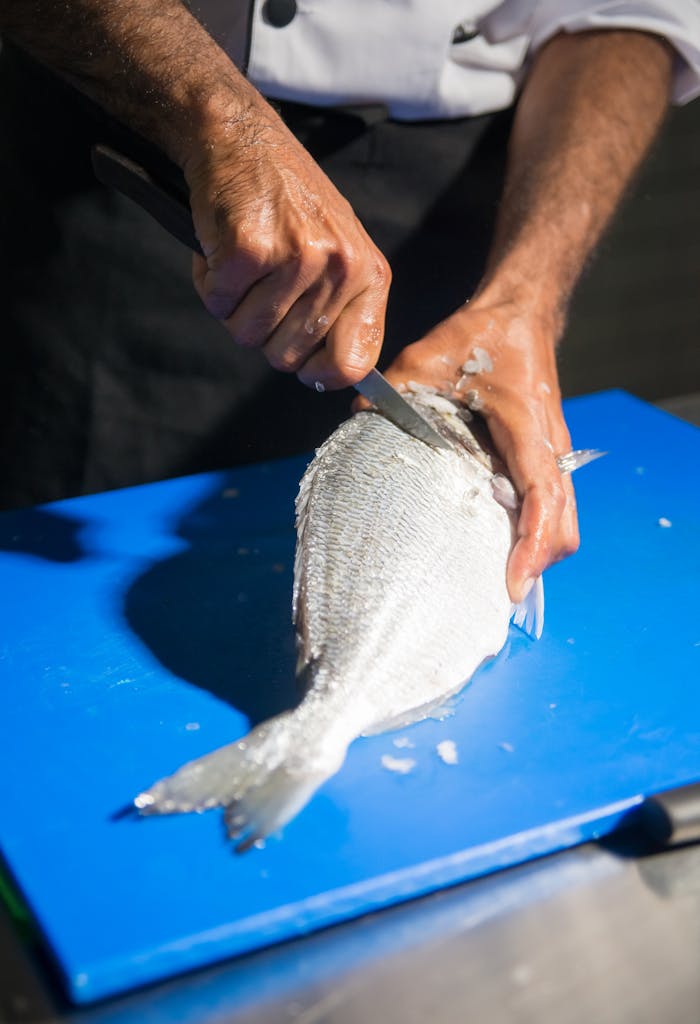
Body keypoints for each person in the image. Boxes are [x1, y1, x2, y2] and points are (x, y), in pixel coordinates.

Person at [0, 1, 698, 604]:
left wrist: (528, 297)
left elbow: (629, 12)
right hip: (129, 132)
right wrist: (218, 123)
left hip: (460, 199)